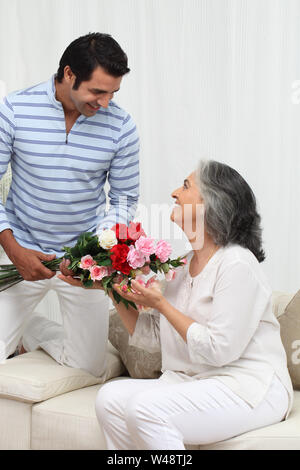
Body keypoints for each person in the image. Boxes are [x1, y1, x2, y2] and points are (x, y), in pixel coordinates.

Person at [60, 159, 293, 450]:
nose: (174, 192)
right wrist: (109, 286)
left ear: (210, 205)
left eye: (185, 186)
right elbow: (150, 337)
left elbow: (219, 350)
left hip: (249, 386)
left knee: (145, 408)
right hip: (196, 380)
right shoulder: (182, 267)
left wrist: (160, 304)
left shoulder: (237, 264)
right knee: (110, 400)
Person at [0, 33, 139, 377]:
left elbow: (124, 200)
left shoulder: (122, 127)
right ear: (69, 74)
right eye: (97, 92)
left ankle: (32, 331)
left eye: (112, 93)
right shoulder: (15, 109)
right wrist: (12, 248)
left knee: (87, 370)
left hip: (82, 262)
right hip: (20, 249)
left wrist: (94, 253)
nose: (105, 102)